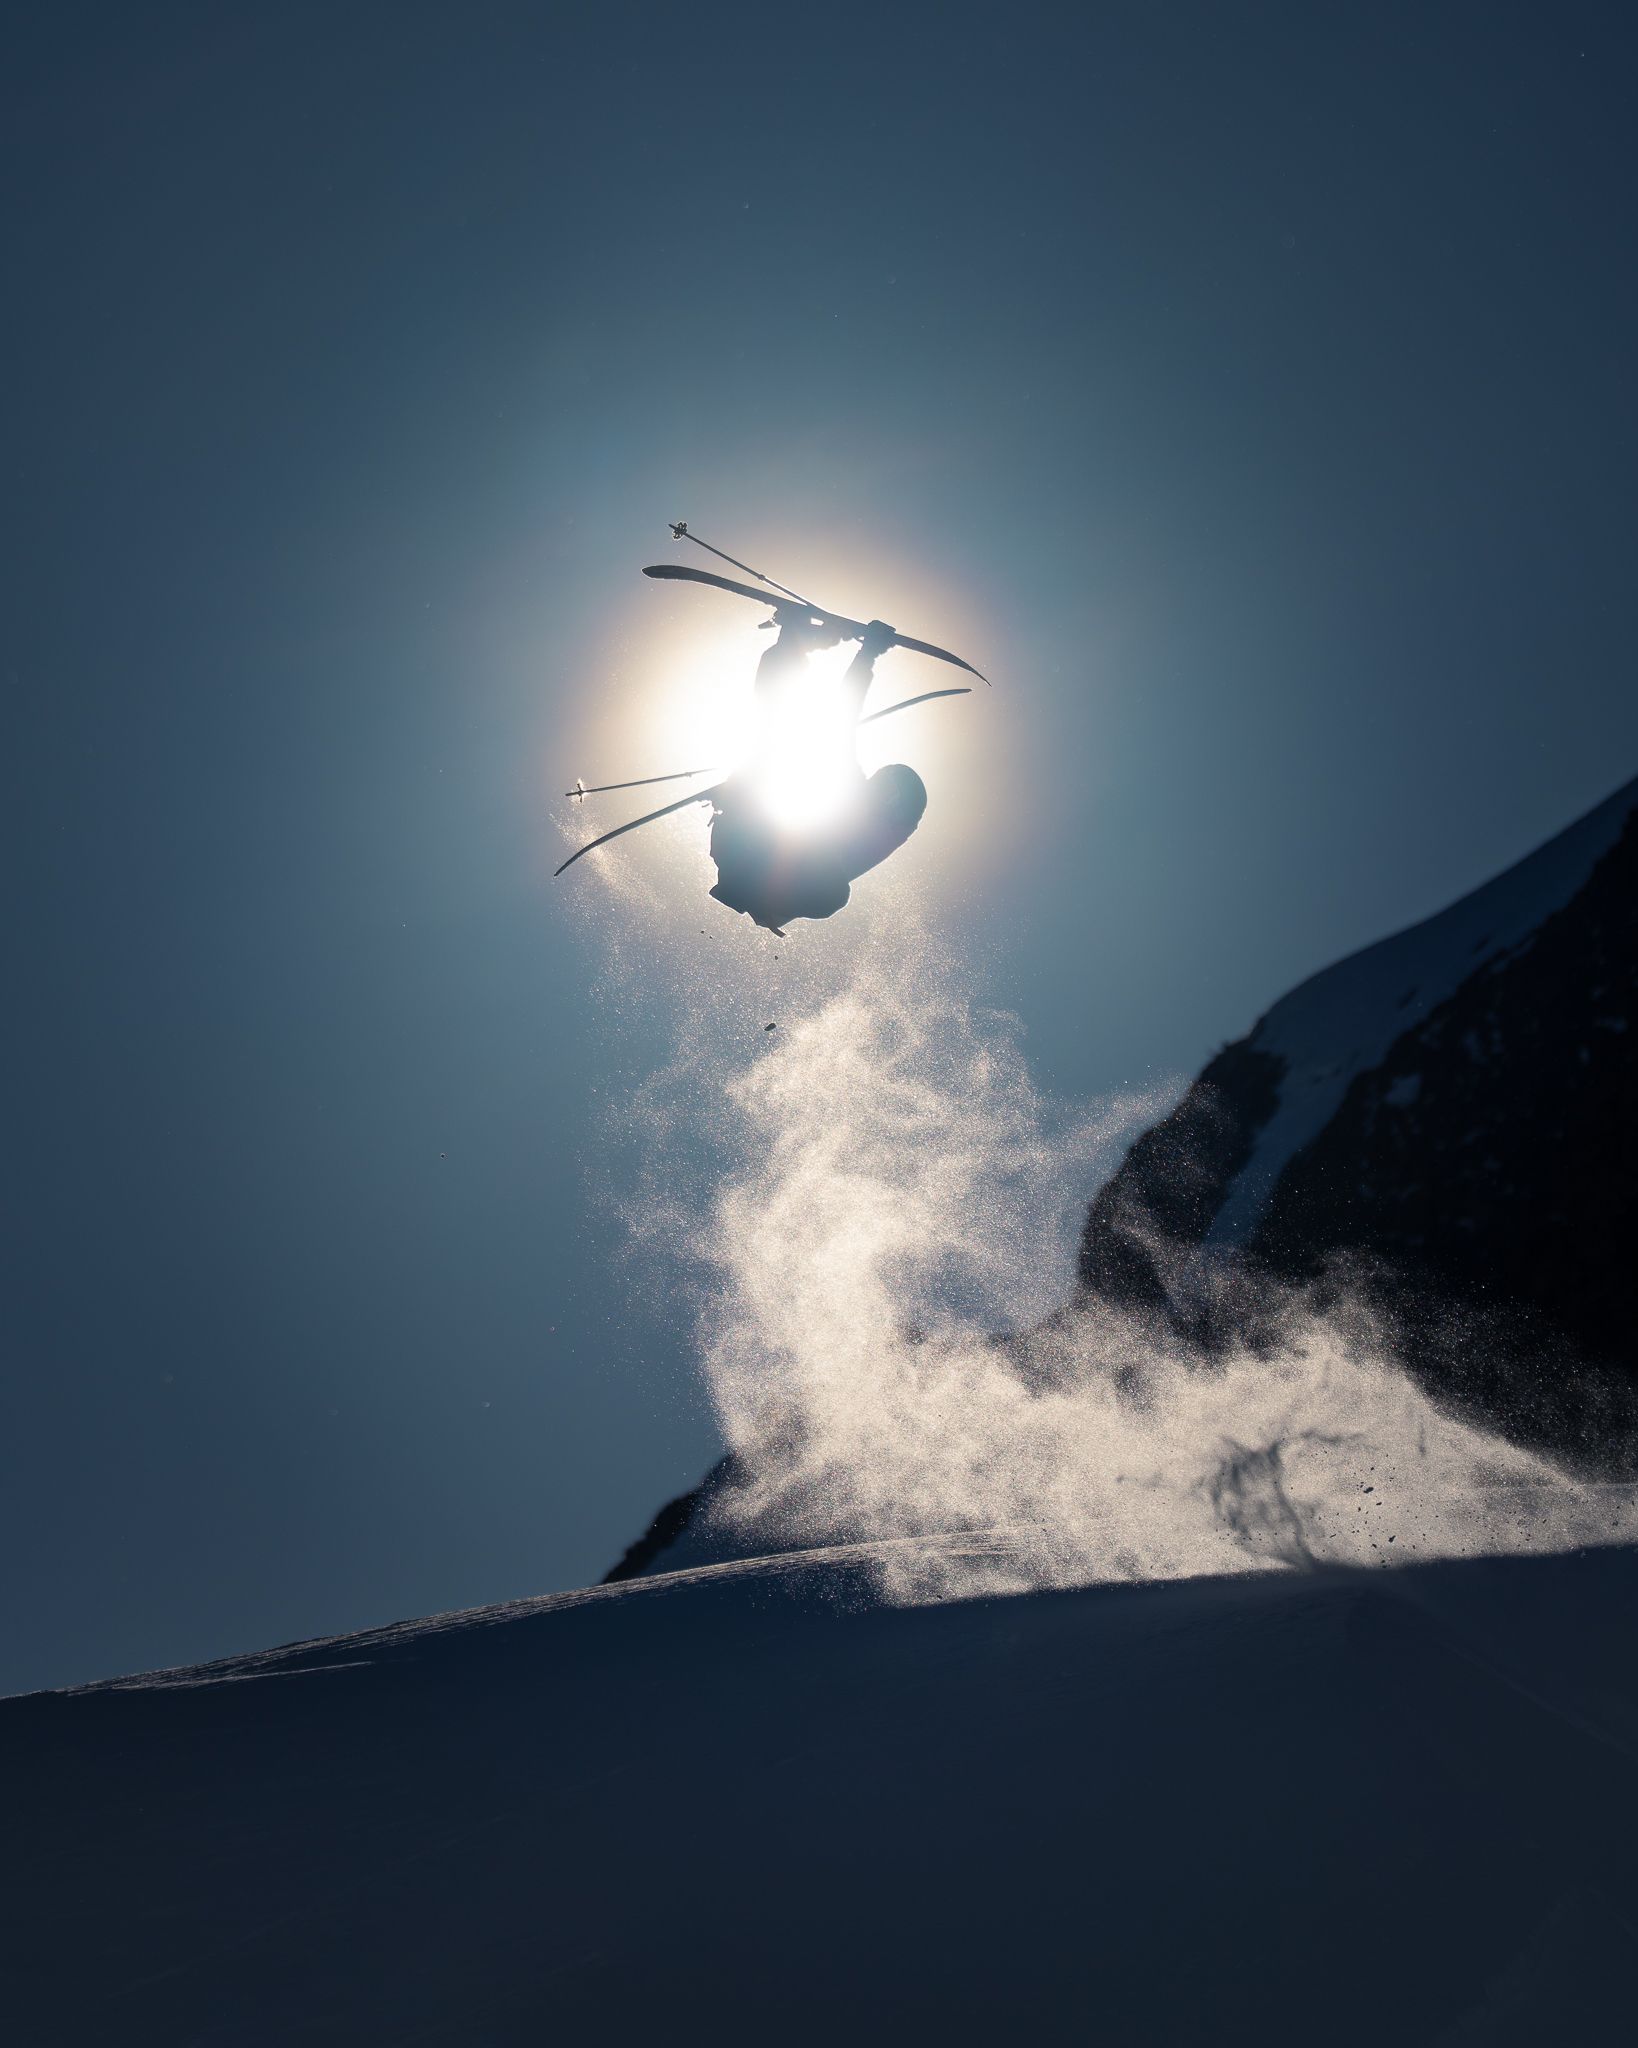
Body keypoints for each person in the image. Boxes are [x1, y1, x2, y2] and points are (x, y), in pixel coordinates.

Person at [707, 614, 928, 931]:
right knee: (775, 734)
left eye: (884, 790)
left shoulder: (869, 815)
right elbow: (841, 716)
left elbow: (842, 715)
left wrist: (868, 654)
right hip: (752, 859)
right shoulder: (860, 800)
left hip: (756, 866)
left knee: (773, 736)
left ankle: (790, 647)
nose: (875, 789)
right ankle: (790, 647)